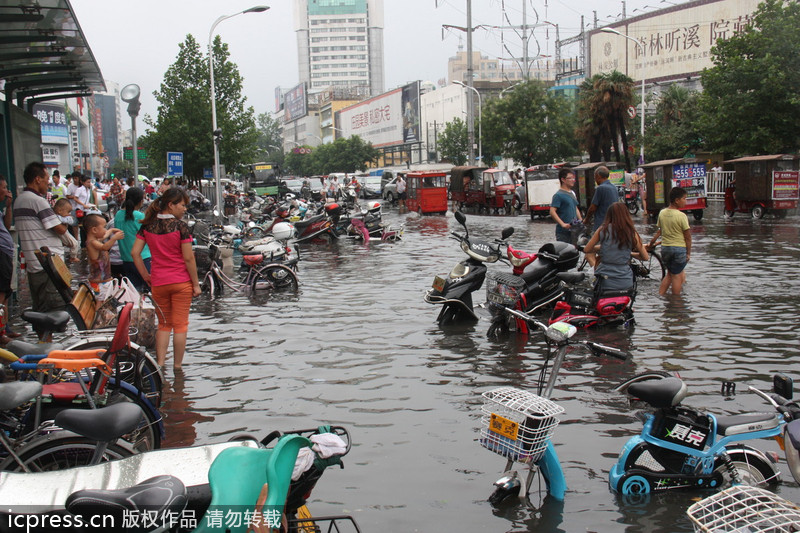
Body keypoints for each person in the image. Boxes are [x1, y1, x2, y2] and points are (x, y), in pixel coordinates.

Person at [132, 188, 201, 371]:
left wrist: (145, 276)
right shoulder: (181, 227)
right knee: (180, 326)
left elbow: (135, 253)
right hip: (181, 282)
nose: (184, 209)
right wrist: (196, 284)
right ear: (171, 205)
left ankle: (160, 365)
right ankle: (177, 368)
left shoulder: (147, 226)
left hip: (158, 282)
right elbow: (189, 258)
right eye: (182, 205)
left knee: (163, 324)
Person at [13, 162, 69, 313]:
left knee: (41, 309)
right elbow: (59, 228)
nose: (48, 182)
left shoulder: (19, 200)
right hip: (48, 265)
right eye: (46, 179)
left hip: (34, 265)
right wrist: (66, 221)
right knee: (53, 311)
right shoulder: (38, 201)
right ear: (37, 179)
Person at [584, 202, 649, 292]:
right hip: (626, 281)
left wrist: (603, 247)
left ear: (609, 215)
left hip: (605, 281)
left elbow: (587, 249)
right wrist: (630, 253)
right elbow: (645, 257)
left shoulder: (603, 230)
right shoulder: (632, 232)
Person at [648, 187, 691, 296]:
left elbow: (660, 231)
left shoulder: (662, 213)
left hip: (666, 249)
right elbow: (687, 237)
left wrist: (652, 242)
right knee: (676, 275)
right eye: (684, 198)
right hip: (679, 249)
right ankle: (676, 301)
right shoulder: (682, 216)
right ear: (677, 200)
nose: (685, 201)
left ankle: (661, 294)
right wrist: (688, 253)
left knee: (670, 274)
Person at [115, 186, 151, 291]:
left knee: (135, 293)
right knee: (152, 291)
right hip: (143, 259)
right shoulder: (139, 216)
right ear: (140, 201)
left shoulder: (118, 215)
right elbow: (149, 235)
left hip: (126, 260)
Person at [84, 214, 124, 301]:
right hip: (99, 282)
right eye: (104, 227)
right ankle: (98, 310)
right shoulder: (92, 242)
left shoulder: (96, 240)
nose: (105, 230)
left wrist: (111, 230)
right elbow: (105, 247)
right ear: (94, 230)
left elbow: (105, 236)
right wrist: (114, 238)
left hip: (103, 280)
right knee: (101, 301)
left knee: (104, 299)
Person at [0, 175, 20, 344]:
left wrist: (8, 206)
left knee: (5, 293)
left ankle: (4, 327)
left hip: (5, 254)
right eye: (4, 187)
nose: (7, 190)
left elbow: (6, 226)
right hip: (1, 254)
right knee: (1, 294)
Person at [549, 168, 582, 244]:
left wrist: (580, 220)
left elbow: (575, 207)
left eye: (573, 178)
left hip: (574, 230)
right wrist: (562, 224)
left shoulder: (572, 193)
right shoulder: (558, 195)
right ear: (563, 180)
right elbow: (552, 211)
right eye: (570, 178)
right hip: (563, 232)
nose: (573, 180)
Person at [582, 165, 618, 233]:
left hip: (601, 223)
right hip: (613, 222)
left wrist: (586, 219)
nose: (595, 179)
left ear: (598, 176)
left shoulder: (601, 188)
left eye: (595, 177)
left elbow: (593, 207)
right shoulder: (614, 188)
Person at [53, 198, 80, 263]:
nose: (69, 214)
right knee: (75, 244)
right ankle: (73, 257)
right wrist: (70, 218)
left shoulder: (55, 216)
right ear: (60, 211)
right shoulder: (60, 217)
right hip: (63, 233)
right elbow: (69, 221)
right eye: (68, 212)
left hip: (61, 234)